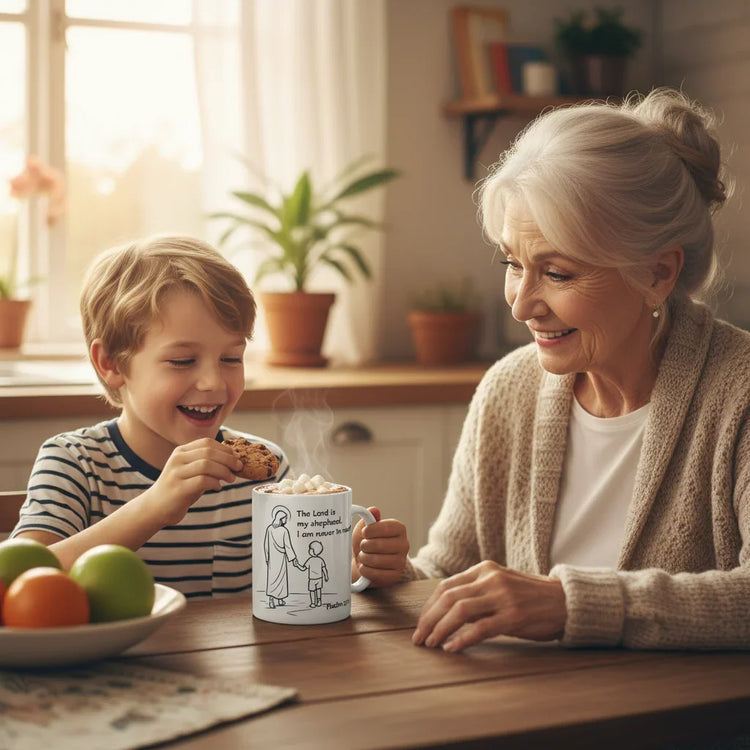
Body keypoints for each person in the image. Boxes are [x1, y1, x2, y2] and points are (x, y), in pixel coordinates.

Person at [408, 88, 750, 653]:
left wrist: (569, 604)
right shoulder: (509, 389)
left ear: (658, 274)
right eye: (513, 264)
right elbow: (449, 571)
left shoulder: (738, 394)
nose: (520, 304)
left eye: (559, 273)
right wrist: (385, 571)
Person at [11, 235, 409, 597]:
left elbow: (299, 579)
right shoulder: (74, 463)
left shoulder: (265, 473)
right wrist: (154, 508)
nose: (212, 382)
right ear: (111, 363)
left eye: (231, 358)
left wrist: (363, 567)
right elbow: (16, 583)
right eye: (183, 360)